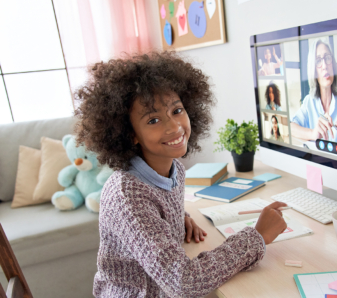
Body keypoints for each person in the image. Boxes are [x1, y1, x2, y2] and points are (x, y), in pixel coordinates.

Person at [74, 51, 288, 297]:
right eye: (153, 120)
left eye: (176, 111)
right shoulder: (127, 196)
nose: (174, 127)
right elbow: (183, 282)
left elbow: (157, 204)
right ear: (129, 133)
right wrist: (257, 236)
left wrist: (176, 218)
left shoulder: (173, 168)